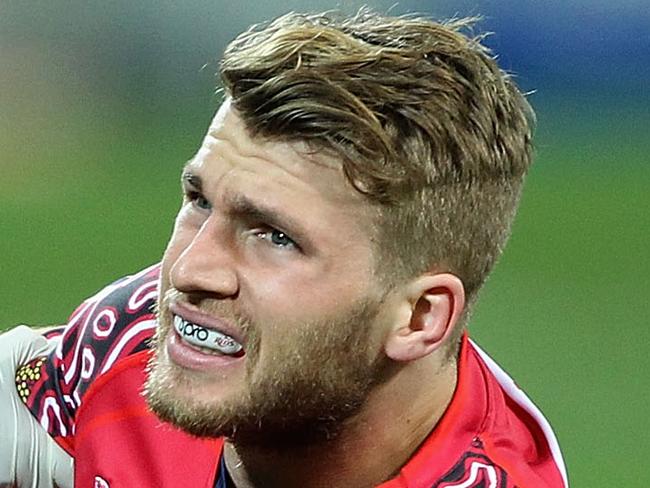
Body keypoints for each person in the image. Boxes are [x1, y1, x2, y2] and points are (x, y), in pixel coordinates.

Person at [0, 9, 568, 488]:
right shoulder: (117, 349)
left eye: (275, 237)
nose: (190, 270)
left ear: (419, 317)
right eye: (199, 200)